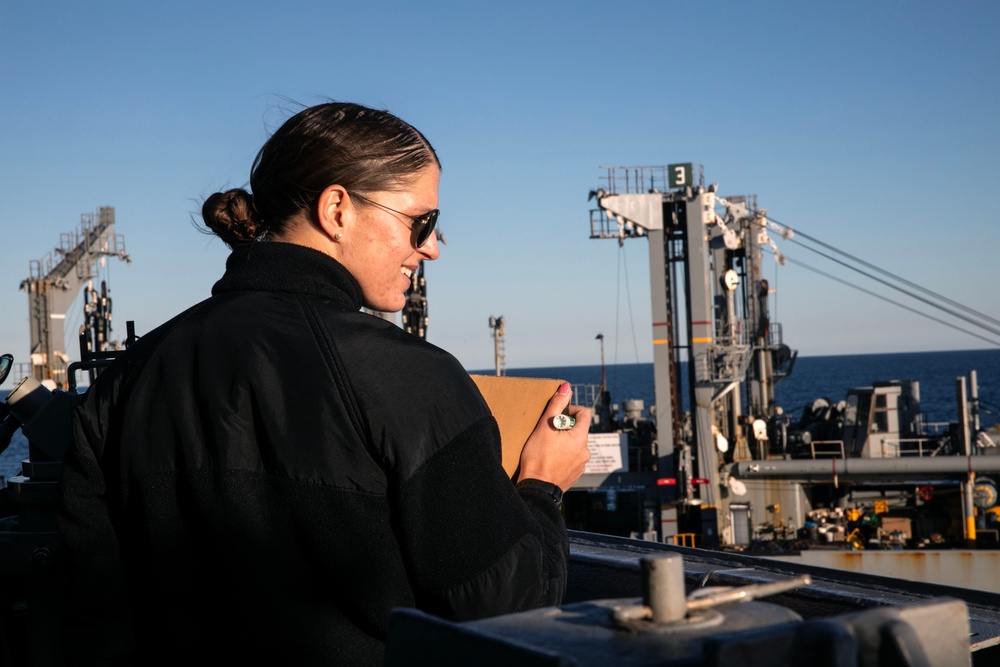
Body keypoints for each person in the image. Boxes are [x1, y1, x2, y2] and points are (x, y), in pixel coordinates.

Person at [55, 101, 591, 666]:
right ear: (337, 209)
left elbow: (91, 606)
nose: (431, 247)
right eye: (422, 222)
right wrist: (542, 486)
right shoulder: (409, 376)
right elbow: (510, 608)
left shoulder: (130, 374)